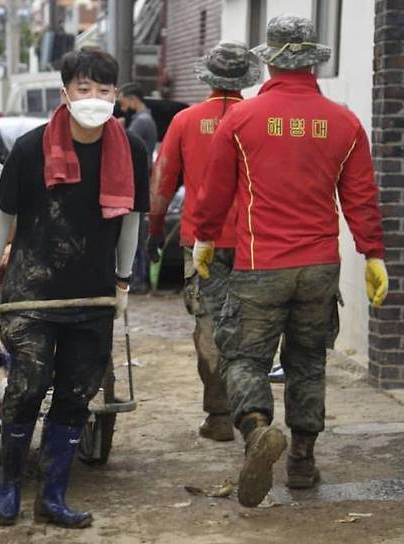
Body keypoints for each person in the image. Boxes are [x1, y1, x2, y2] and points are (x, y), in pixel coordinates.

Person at [192, 14, 388, 507]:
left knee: (244, 358)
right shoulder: (344, 122)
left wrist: (204, 238)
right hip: (320, 267)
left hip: (260, 264)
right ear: (312, 60)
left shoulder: (241, 120)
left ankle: (258, 429)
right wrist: (373, 254)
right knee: (307, 364)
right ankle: (302, 461)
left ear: (271, 57)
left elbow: (214, 193)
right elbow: (362, 198)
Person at [0, 47, 149, 528]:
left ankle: (52, 496)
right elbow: (1, 221)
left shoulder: (130, 150)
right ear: (65, 93)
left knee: (76, 395)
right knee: (27, 389)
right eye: (85, 89)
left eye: (105, 90)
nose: (95, 98)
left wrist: (122, 281)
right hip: (34, 294)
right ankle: (9, 483)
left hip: (91, 295)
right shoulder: (32, 149)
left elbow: (132, 221)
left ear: (117, 95)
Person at [148, 41, 260, 441]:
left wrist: (155, 229)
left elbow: (162, 181)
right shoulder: (260, 119)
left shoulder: (185, 120)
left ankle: (218, 416)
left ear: (208, 77)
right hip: (254, 242)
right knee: (251, 327)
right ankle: (253, 415)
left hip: (201, 243)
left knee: (209, 326)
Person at [118, 82, 158, 294]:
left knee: (134, 234)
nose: (122, 105)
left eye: (123, 100)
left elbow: (122, 144)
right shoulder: (146, 120)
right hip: (142, 179)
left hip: (135, 181)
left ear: (133, 99)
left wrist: (119, 126)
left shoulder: (141, 122)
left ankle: (137, 280)